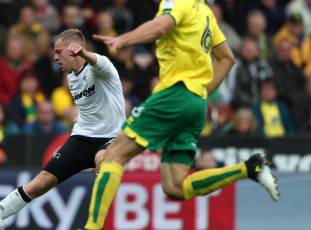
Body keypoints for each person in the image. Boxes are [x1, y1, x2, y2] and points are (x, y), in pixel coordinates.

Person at [84, 0, 279, 229]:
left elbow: (159, 27)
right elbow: (227, 58)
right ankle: (249, 168)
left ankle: (92, 227)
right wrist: (202, 94)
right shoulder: (205, 12)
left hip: (174, 93)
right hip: (196, 103)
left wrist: (122, 39)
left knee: (114, 156)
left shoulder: (177, 1)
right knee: (175, 188)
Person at [0, 28, 125, 230]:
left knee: (103, 161)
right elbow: (92, 106)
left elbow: (97, 62)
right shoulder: (71, 77)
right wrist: (79, 116)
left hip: (110, 138)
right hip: (83, 136)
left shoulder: (101, 67)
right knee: (41, 182)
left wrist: (83, 53)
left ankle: (94, 226)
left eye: (58, 51)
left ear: (74, 50)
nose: (55, 57)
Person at [0, 36, 33, 106]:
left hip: (26, 102)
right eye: (11, 49)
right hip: (6, 103)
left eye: (17, 49)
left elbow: (34, 86)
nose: (14, 52)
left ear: (22, 50)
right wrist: (11, 102)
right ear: (6, 49)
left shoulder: (29, 65)